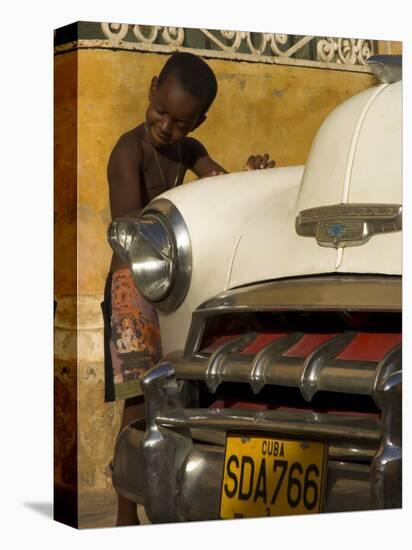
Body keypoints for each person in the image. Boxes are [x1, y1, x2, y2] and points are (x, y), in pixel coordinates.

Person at [103, 51, 275, 526]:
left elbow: (218, 184)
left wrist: (247, 176)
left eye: (180, 123)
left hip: (172, 288)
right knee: (138, 400)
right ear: (152, 87)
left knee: (172, 389)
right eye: (161, 113)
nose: (166, 128)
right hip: (132, 290)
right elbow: (132, 227)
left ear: (198, 120)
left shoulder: (190, 149)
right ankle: (123, 513)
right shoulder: (128, 151)